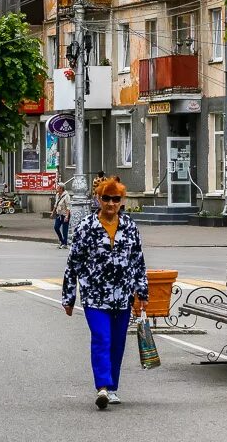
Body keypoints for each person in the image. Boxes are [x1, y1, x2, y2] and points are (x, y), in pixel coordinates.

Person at [62, 176, 148, 411]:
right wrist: (68, 297)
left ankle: (112, 389)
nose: (111, 203)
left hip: (122, 296)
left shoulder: (129, 226)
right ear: (98, 199)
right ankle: (102, 386)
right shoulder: (86, 227)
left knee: (117, 343)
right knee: (102, 338)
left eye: (115, 199)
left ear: (122, 201)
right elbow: (73, 263)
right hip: (95, 296)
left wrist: (142, 293)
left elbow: (138, 262)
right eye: (106, 198)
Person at [52, 183, 71, 248]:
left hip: (65, 214)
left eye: (58, 187)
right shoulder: (57, 195)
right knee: (56, 227)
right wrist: (53, 212)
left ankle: (65, 244)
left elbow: (68, 207)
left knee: (64, 230)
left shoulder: (66, 196)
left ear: (61, 189)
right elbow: (56, 204)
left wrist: (67, 216)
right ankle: (62, 241)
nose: (56, 188)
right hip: (59, 214)